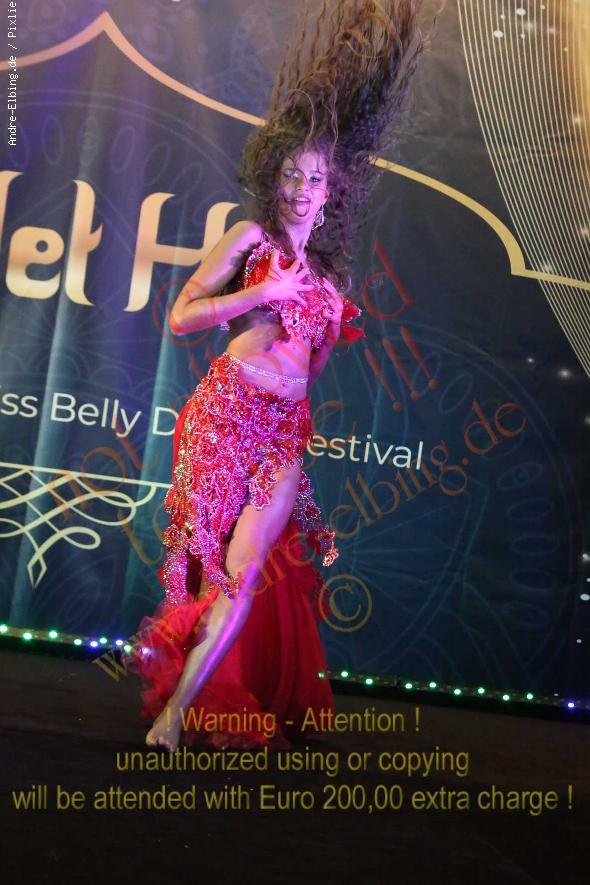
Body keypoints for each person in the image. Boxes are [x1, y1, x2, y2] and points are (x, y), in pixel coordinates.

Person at [124, 0, 443, 752]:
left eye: (314, 179)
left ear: (331, 194)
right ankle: (178, 696)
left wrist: (304, 339)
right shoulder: (249, 238)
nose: (302, 188)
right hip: (225, 412)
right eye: (292, 175)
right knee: (209, 569)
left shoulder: (332, 282)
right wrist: (258, 294)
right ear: (277, 179)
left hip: (283, 430)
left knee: (244, 571)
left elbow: (315, 366)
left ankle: (177, 714)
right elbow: (181, 316)